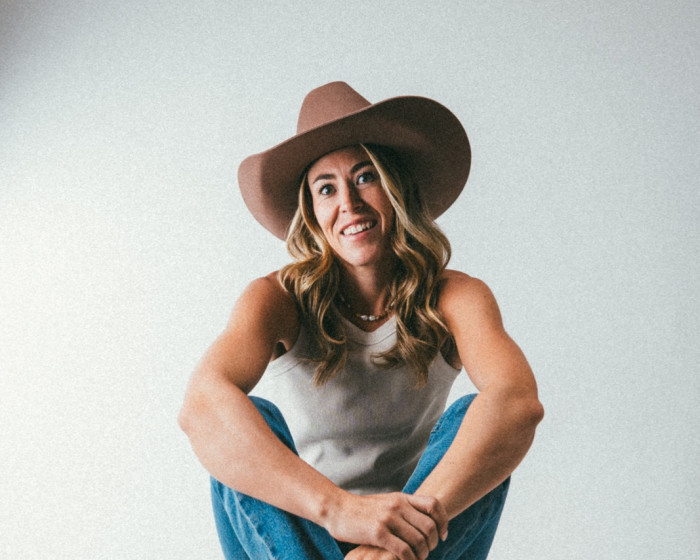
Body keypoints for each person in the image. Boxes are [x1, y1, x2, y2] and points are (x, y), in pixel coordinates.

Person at [179, 82, 544, 560]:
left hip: (417, 546)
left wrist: (393, 547)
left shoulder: (456, 296)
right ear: (312, 212)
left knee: (479, 421)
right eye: (326, 188)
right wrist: (340, 511)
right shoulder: (276, 298)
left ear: (396, 188)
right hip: (298, 537)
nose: (348, 203)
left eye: (365, 177)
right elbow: (201, 408)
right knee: (241, 424)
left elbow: (518, 404)